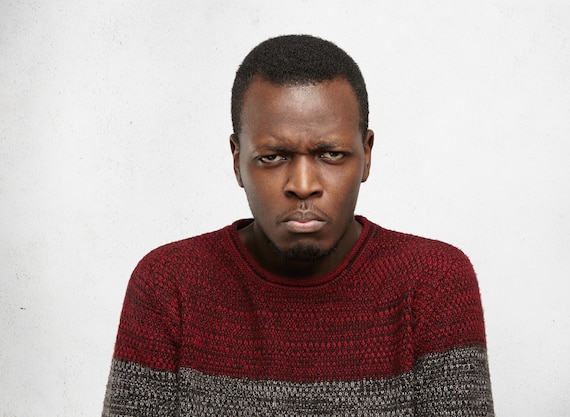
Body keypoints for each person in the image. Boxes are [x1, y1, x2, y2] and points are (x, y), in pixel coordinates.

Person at [102, 34, 494, 416]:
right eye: (273, 157)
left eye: (331, 154)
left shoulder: (432, 282)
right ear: (237, 159)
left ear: (367, 154)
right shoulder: (170, 284)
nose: (303, 185)